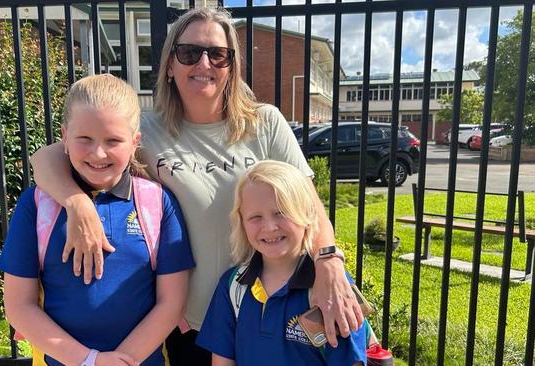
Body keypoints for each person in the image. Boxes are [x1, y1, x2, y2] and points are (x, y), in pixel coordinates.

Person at [30, 7, 363, 365]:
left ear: (231, 67)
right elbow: (46, 159)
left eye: (218, 54)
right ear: (170, 65)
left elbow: (309, 208)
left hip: (258, 315)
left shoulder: (265, 123)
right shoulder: (147, 130)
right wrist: (78, 204)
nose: (204, 63)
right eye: (189, 52)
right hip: (185, 323)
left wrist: (329, 262)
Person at [0, 74, 195, 366]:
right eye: (84, 139)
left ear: (135, 142)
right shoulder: (37, 205)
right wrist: (88, 361)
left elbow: (172, 302)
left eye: (113, 140)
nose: (98, 153)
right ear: (64, 136)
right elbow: (18, 305)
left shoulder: (156, 203)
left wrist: (122, 361)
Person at [196, 160, 367, 365]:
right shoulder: (233, 286)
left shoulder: (331, 288)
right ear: (241, 222)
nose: (269, 227)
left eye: (281, 213)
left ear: (306, 213)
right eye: (255, 217)